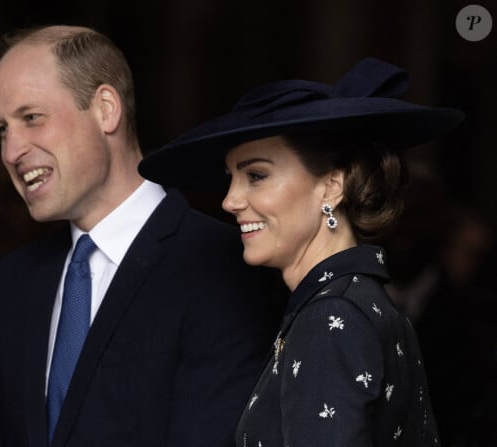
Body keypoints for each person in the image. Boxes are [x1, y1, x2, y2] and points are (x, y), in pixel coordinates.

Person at [0, 25, 286, 447]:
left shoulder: (222, 266)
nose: (10, 151)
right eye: (2, 129)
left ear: (106, 109)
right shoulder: (11, 283)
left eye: (31, 118)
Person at [139, 57, 464, 446]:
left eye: (256, 175)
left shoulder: (333, 314)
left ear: (331, 187)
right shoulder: (353, 300)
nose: (229, 201)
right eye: (231, 178)